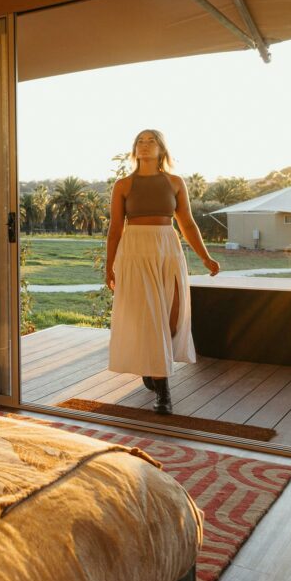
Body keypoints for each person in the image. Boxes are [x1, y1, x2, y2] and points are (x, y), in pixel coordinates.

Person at [104, 129, 220, 414]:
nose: (144, 145)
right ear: (135, 150)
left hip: (167, 247)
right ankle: (164, 391)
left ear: (161, 149)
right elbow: (115, 229)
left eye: (150, 140)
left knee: (171, 316)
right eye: (140, 141)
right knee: (151, 317)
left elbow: (188, 224)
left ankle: (151, 365)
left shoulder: (175, 182)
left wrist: (205, 257)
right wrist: (109, 266)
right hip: (135, 250)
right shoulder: (123, 185)